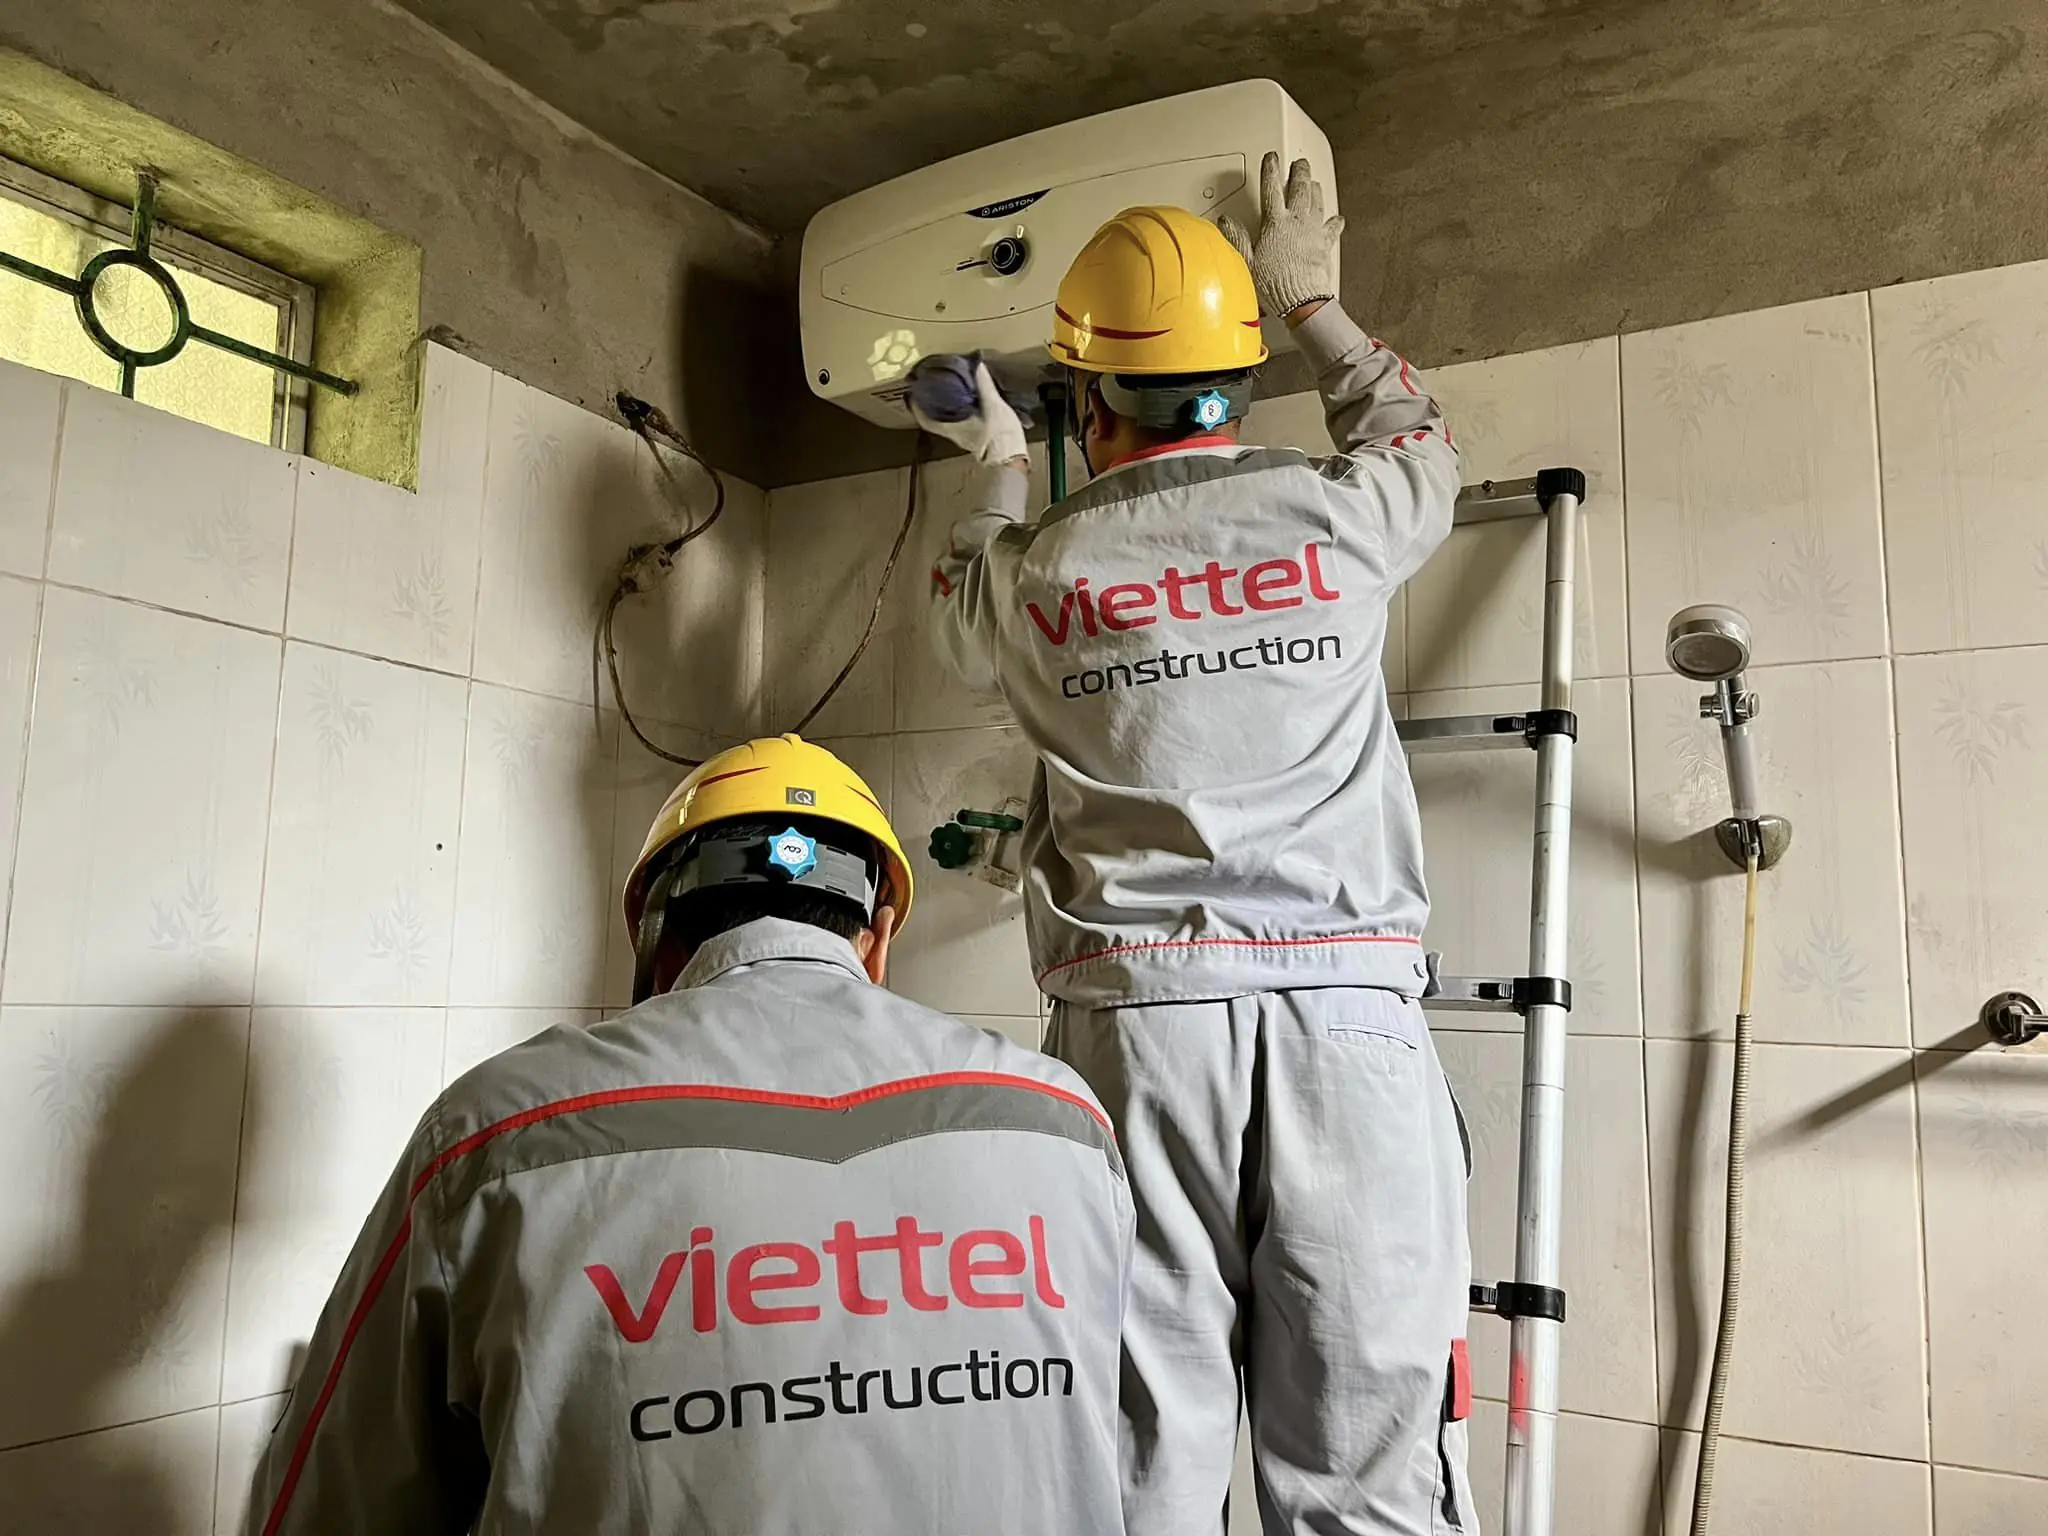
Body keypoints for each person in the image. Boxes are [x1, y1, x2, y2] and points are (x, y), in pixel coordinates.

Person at [916, 154, 1475, 1535]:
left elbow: (955, 603)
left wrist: (996, 462)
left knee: (1137, 1450)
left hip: (1139, 1036)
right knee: (1369, 1463)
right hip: (1349, 1021)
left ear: (1088, 403)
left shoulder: (1038, 573)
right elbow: (1420, 440)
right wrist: (1318, 307)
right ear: (1237, 378)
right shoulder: (1338, 513)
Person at [243, 735, 1134, 1535]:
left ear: (653, 933)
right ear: (880, 931)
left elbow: (327, 1506)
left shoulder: (493, 1139)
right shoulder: (1062, 1123)